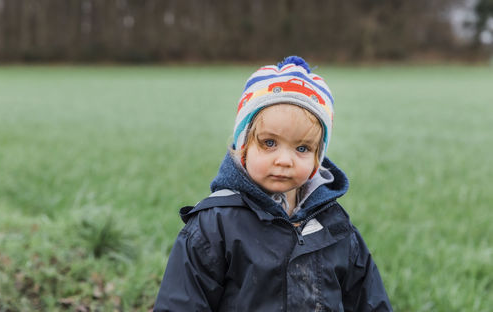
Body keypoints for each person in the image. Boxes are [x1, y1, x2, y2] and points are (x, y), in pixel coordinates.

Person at [153, 56, 392, 311]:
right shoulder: (214, 226)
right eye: (269, 143)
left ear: (317, 159)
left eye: (302, 148)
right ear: (243, 146)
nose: (284, 160)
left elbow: (369, 301)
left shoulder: (335, 227)